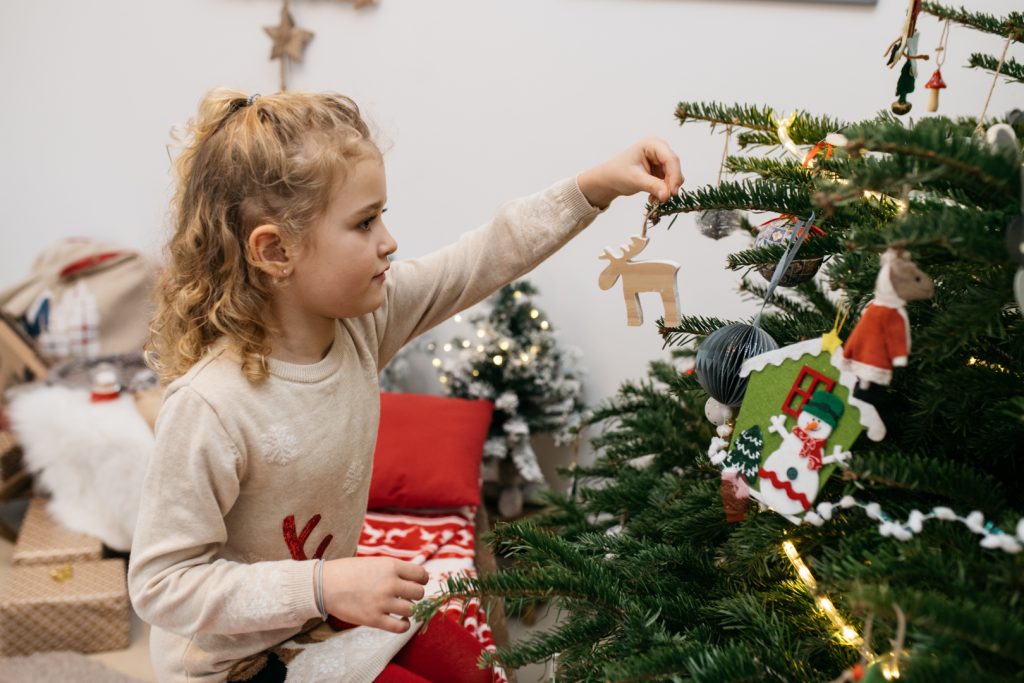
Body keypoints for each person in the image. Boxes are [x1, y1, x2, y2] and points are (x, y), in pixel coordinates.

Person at [128, 88, 683, 683]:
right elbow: (162, 586)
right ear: (275, 250)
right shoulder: (210, 405)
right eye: (365, 222)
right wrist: (324, 586)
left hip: (321, 617)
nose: (388, 240)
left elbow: (486, 254)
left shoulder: (364, 323)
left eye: (381, 216)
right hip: (232, 662)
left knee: (478, 667)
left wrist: (596, 184)